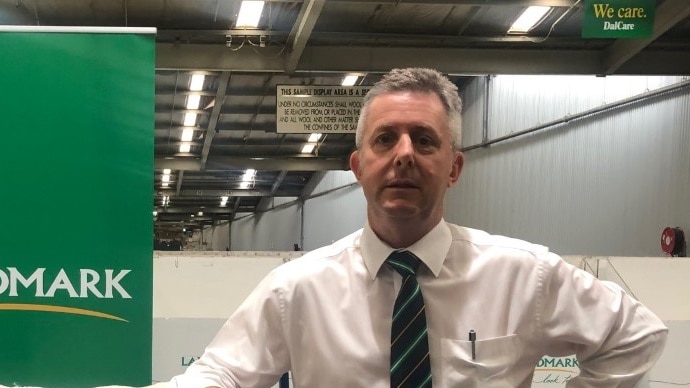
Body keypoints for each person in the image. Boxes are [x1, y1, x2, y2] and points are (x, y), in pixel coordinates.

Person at [107, 67, 669, 387]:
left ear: (453, 166)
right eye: (385, 139)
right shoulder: (298, 289)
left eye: (425, 140)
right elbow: (221, 377)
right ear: (358, 167)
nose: (404, 155)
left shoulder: (526, 276)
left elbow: (637, 335)